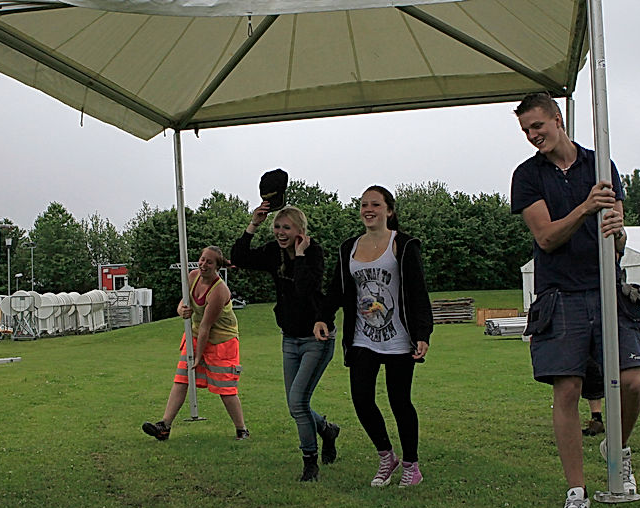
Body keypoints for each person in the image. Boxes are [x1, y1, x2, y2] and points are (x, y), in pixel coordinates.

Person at [510, 93, 640, 508]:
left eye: (538, 126)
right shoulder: (527, 176)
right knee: (567, 390)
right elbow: (547, 238)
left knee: (631, 382)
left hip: (607, 290)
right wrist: (586, 207)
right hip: (560, 296)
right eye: (526, 131)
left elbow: (619, 237)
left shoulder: (601, 165)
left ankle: (617, 448)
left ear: (558, 119)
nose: (533, 136)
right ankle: (577, 490)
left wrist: (619, 232)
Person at [317, 185, 432, 489]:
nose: (368, 210)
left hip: (398, 337)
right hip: (362, 338)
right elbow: (337, 290)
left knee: (399, 401)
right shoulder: (349, 248)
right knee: (362, 399)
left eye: (376, 205)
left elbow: (418, 292)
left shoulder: (403, 245)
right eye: (364, 204)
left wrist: (423, 333)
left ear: (389, 211)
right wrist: (323, 317)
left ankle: (411, 464)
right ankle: (386, 457)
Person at [231, 203, 339, 482]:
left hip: (317, 337)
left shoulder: (314, 253)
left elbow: (306, 289)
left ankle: (309, 463)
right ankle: (326, 430)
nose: (280, 233)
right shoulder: (273, 252)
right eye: (277, 227)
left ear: (300, 231)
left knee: (297, 402)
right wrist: (253, 224)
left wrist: (300, 254)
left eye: (286, 228)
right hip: (290, 338)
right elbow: (240, 257)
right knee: (296, 405)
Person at [142, 246, 248, 441]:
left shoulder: (219, 291)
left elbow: (207, 326)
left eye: (209, 262)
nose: (203, 264)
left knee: (225, 389)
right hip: (195, 336)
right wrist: (181, 310)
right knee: (181, 379)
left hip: (221, 342)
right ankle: (164, 426)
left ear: (217, 266)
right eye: (201, 259)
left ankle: (241, 429)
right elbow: (183, 303)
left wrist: (198, 357)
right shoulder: (192, 276)